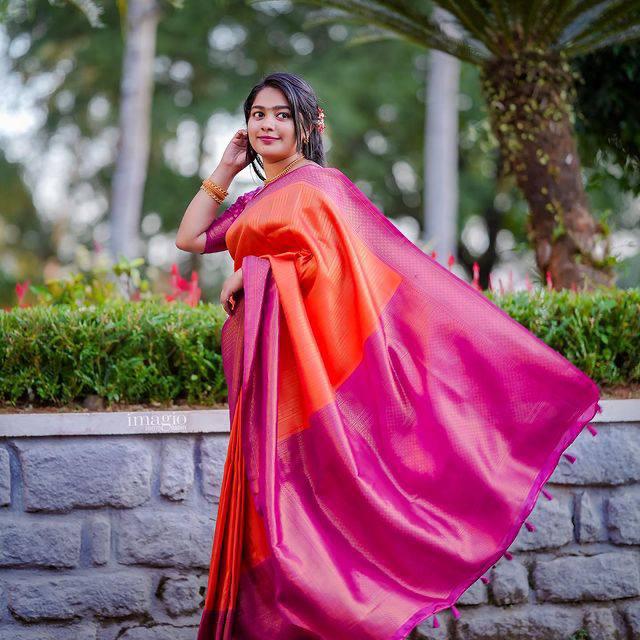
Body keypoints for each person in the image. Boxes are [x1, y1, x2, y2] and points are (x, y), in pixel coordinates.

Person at [176, 72, 601, 640]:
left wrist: (260, 274)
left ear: (309, 124)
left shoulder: (323, 188)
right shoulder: (257, 198)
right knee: (268, 510)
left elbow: (343, 278)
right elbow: (189, 237)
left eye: (282, 114)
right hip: (274, 386)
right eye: (258, 114)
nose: (268, 124)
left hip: (318, 382)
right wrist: (226, 171)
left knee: (316, 518)